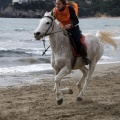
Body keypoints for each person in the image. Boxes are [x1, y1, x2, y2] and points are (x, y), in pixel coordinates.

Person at [53, 0, 91, 65]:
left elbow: (76, 21)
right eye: (56, 4)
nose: (57, 5)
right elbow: (51, 19)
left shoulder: (69, 8)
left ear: (63, 4)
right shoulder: (54, 10)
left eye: (59, 4)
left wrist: (69, 25)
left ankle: (85, 58)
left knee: (77, 41)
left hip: (73, 29)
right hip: (62, 29)